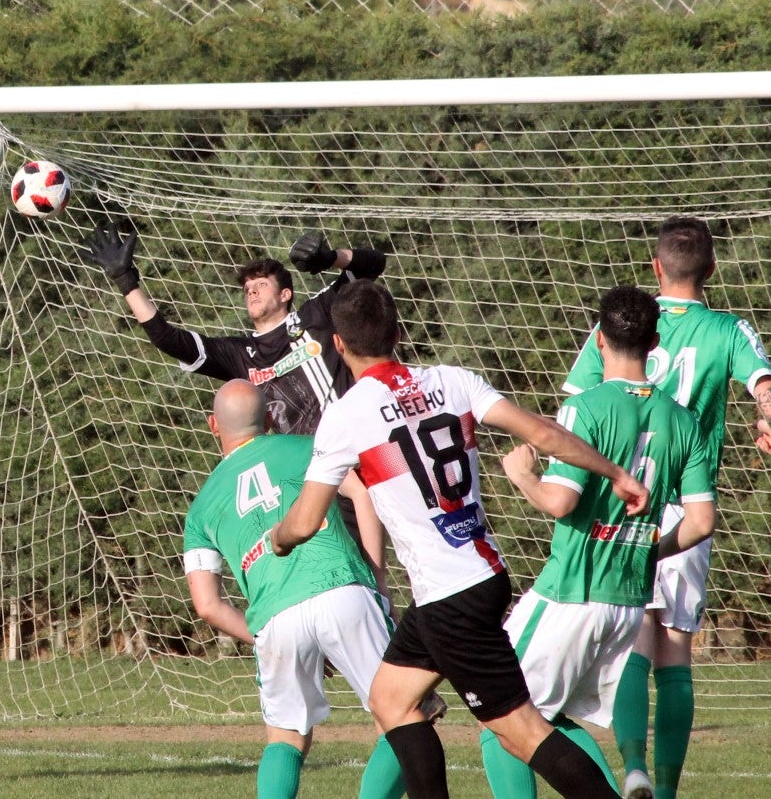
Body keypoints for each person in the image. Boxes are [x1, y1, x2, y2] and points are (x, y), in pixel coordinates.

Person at [268, 279, 648, 799]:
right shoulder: (452, 380)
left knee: (521, 732)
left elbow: (307, 520)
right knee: (392, 700)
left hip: (452, 596)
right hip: (469, 579)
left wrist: (279, 539)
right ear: (398, 332)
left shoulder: (347, 416)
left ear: (337, 344)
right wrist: (616, 474)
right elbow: (542, 433)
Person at [478, 285, 716, 799]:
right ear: (654, 341)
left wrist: (521, 476)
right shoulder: (684, 419)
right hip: (628, 601)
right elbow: (700, 522)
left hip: (571, 591)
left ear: (598, 341)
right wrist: (647, 547)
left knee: (502, 723)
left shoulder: (584, 408)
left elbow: (561, 502)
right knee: (552, 720)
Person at [562, 217, 771, 799]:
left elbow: (576, 403)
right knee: (675, 646)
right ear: (711, 269)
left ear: (656, 267)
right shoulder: (729, 329)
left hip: (624, 500)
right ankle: (669, 791)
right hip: (686, 501)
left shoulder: (623, 322)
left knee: (634, 637)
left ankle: (633, 767)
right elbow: (765, 388)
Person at [85, 220, 390, 576]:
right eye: (247, 289)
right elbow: (169, 339)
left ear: (286, 294)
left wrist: (330, 257)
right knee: (352, 575)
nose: (253, 292)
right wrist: (127, 282)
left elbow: (372, 266)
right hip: (317, 481)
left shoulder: (317, 314)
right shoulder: (241, 354)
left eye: (261, 285)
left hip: (371, 455)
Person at [183, 378, 439, 799]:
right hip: (343, 589)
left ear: (214, 425)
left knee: (285, 739)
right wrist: (377, 577)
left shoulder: (199, 510)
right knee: (404, 714)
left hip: (274, 617)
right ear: (269, 418)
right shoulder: (308, 447)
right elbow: (365, 495)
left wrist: (261, 634)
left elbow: (207, 605)